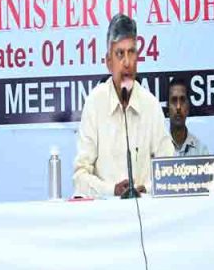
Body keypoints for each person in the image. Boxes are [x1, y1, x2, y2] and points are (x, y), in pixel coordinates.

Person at [74, 14, 174, 197]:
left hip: (147, 215)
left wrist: (147, 188)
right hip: (105, 216)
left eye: (132, 52)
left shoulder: (150, 105)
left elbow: (169, 171)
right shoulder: (95, 104)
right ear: (109, 63)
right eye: (120, 54)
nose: (127, 63)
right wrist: (112, 190)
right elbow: (80, 177)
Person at [167, 76, 209, 156]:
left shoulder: (201, 151)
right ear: (168, 107)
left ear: (188, 107)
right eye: (174, 100)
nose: (178, 107)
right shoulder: (157, 149)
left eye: (182, 100)